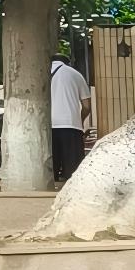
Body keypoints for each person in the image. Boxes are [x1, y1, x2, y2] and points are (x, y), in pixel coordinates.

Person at [50, 49, 93, 184]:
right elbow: (86, 106)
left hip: (48, 125)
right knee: (72, 170)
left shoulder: (41, 74)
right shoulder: (75, 74)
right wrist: (80, 120)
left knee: (52, 167)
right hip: (71, 125)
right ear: (67, 62)